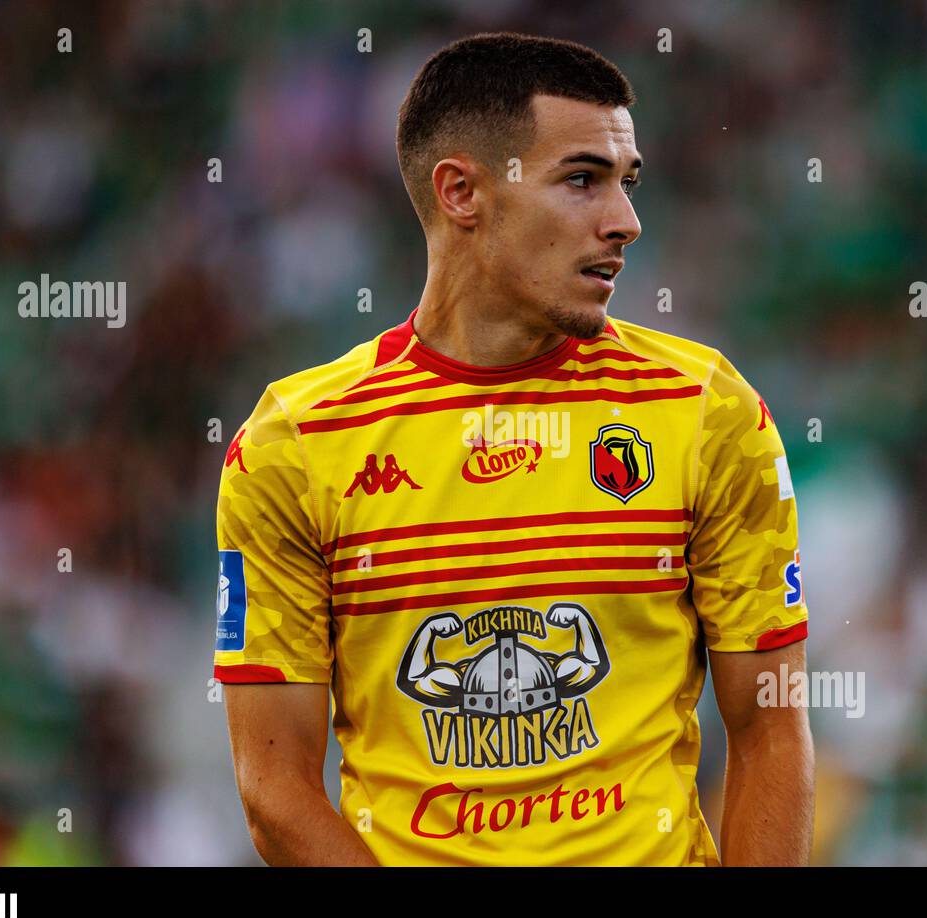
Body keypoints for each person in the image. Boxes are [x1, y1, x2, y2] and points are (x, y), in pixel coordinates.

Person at [214, 32, 812, 866]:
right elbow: (273, 789)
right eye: (582, 180)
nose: (626, 221)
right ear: (462, 191)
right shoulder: (295, 445)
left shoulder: (704, 411)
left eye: (627, 183)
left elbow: (771, 729)